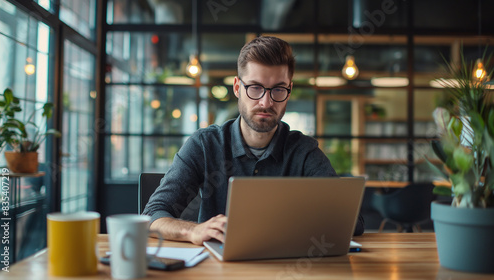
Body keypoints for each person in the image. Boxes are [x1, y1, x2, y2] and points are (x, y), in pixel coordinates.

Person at [143, 36, 364, 245]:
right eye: (255, 88)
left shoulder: (303, 151)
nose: (266, 102)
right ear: (238, 88)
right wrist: (193, 231)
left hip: (284, 265)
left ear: (289, 90)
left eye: (278, 89)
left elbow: (353, 221)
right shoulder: (205, 144)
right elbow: (152, 215)